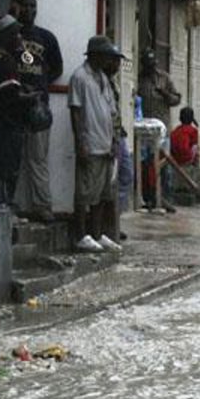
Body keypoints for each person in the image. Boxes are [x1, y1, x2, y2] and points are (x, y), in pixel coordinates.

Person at [68, 35, 123, 253]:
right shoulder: (80, 77)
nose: (108, 60)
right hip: (90, 143)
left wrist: (113, 141)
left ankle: (97, 234)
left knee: (102, 194)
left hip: (105, 143)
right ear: (95, 55)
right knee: (84, 194)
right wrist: (80, 142)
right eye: (105, 56)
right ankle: (81, 235)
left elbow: (111, 111)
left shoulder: (103, 78)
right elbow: (75, 111)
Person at [11, 0, 63, 224]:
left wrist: (40, 85)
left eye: (33, 6)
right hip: (14, 106)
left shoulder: (46, 38)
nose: (29, 10)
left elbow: (57, 68)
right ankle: (11, 205)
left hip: (38, 108)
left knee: (38, 159)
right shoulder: (10, 35)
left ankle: (42, 206)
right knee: (12, 159)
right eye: (25, 5)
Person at [0, 14, 27, 208]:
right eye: (16, 34)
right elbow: (10, 97)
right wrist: (31, 98)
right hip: (5, 126)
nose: (19, 38)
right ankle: (2, 209)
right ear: (6, 36)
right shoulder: (5, 61)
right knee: (4, 170)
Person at [138, 50, 182, 212]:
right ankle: (148, 198)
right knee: (145, 165)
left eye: (153, 65)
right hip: (143, 131)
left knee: (164, 166)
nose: (151, 68)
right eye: (147, 65)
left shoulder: (164, 78)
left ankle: (166, 198)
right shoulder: (139, 79)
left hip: (162, 130)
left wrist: (164, 93)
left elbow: (176, 99)